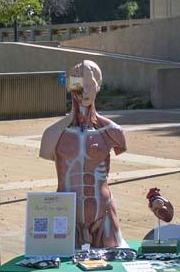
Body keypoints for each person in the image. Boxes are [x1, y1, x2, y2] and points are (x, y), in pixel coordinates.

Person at [39, 59, 127, 248]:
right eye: (79, 86)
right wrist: (68, 119)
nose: (84, 92)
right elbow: (46, 151)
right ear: (72, 87)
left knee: (111, 265)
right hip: (65, 213)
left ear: (98, 87)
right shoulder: (54, 134)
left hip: (103, 213)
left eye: (90, 86)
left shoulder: (112, 131)